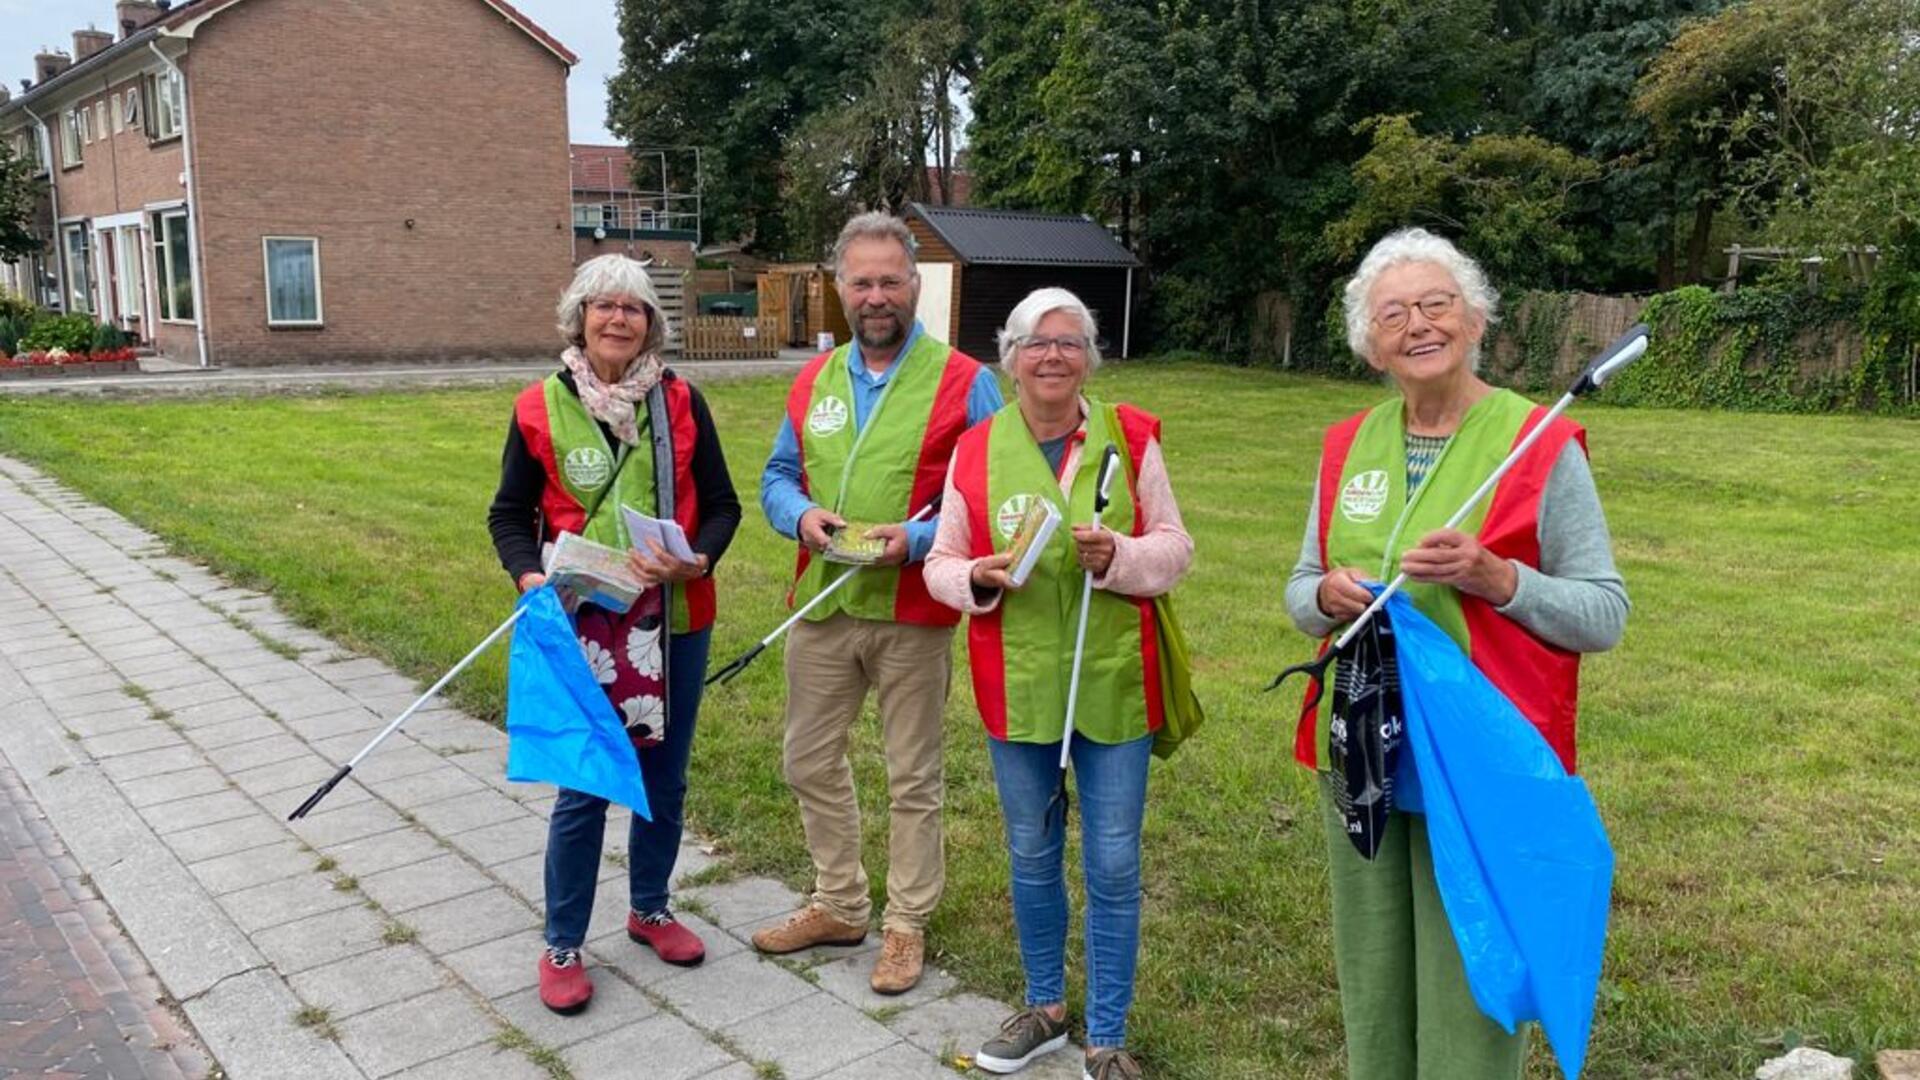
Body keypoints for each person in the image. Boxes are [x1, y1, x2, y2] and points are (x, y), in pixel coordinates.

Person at [1283, 227, 1629, 1078]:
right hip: (1364, 749)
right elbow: (1299, 590)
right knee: (1373, 976)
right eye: (1394, 312)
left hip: (1480, 759)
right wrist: (1326, 595)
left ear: (1475, 319)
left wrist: (1497, 577)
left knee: (1469, 986)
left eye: (1437, 304)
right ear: (1372, 342)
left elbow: (1603, 612)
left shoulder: (1538, 443)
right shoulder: (1346, 446)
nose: (1418, 325)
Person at [924, 287, 1192, 1080]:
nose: (1052, 356)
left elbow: (1176, 546)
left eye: (1069, 342)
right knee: (1031, 853)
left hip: (1113, 684)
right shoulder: (973, 450)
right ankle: (1044, 1008)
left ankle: (1106, 1035)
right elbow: (940, 562)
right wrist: (974, 575)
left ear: (1090, 357)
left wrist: (1122, 558)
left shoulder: (1129, 436)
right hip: (1019, 683)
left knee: (1112, 862)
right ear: (1009, 358)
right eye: (1036, 343)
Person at [753, 211, 1004, 994]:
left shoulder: (967, 381)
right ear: (839, 288)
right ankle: (840, 901)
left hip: (912, 614)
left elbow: (995, 495)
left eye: (890, 280)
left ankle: (905, 925)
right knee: (806, 759)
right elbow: (775, 478)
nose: (875, 296)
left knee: (912, 777)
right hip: (824, 606)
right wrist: (801, 516)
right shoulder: (814, 379)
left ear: (914, 286)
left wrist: (922, 542)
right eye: (860, 282)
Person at [488, 254, 740, 1015]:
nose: (619, 319)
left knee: (665, 778)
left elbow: (724, 505)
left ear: (651, 323)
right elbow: (508, 515)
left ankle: (650, 909)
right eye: (604, 306)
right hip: (584, 625)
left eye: (633, 308)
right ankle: (562, 943)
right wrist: (530, 577)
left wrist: (698, 558)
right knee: (586, 783)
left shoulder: (684, 402)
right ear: (579, 318)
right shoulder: (538, 407)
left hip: (676, 620)